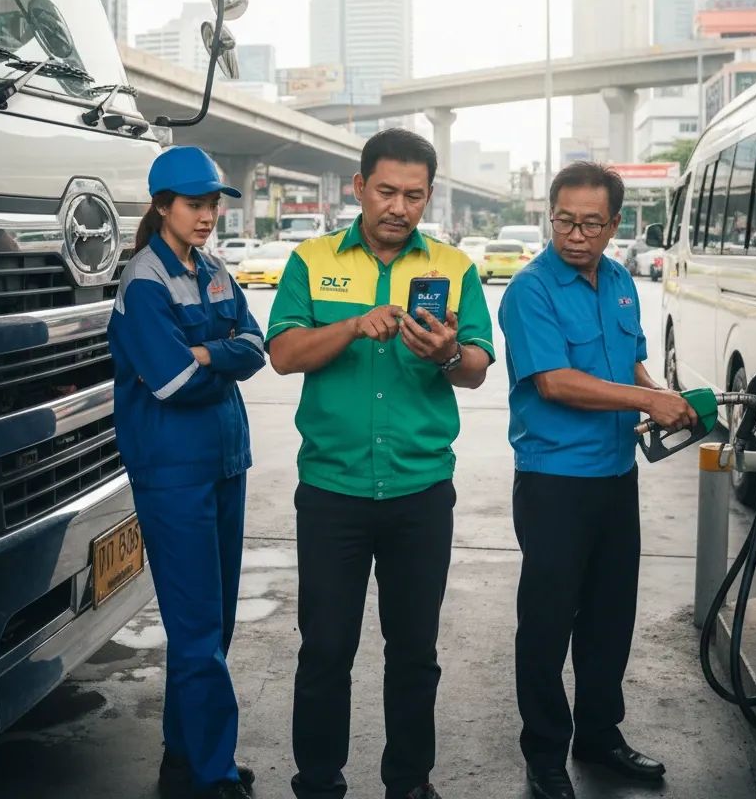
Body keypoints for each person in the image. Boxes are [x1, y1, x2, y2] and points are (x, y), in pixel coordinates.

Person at [266, 128, 495, 799]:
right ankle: (317, 782)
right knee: (325, 649)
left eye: (413, 195)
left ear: (429, 196)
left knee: (415, 652)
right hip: (331, 491)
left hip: (420, 492)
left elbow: (478, 368)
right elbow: (282, 354)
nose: (399, 207)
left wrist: (447, 354)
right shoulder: (311, 261)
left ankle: (410, 782)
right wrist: (351, 326)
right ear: (359, 187)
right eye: (386, 191)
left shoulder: (454, 268)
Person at [498, 161, 697, 799]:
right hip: (555, 481)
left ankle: (599, 735)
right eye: (564, 221)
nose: (575, 235)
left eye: (590, 223)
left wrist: (662, 397)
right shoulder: (530, 290)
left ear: (614, 225)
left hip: (616, 475)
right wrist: (647, 402)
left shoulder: (619, 281)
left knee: (611, 614)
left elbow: (630, 362)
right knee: (548, 620)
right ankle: (545, 752)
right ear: (549, 216)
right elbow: (555, 382)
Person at [107, 146, 266, 799]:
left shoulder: (214, 270)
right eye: (195, 204)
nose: (207, 215)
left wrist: (209, 353)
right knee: (197, 628)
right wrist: (215, 357)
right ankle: (212, 774)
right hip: (173, 471)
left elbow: (256, 346)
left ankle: (185, 755)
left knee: (213, 623)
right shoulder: (144, 282)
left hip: (223, 461)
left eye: (213, 204)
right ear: (163, 206)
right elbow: (172, 381)